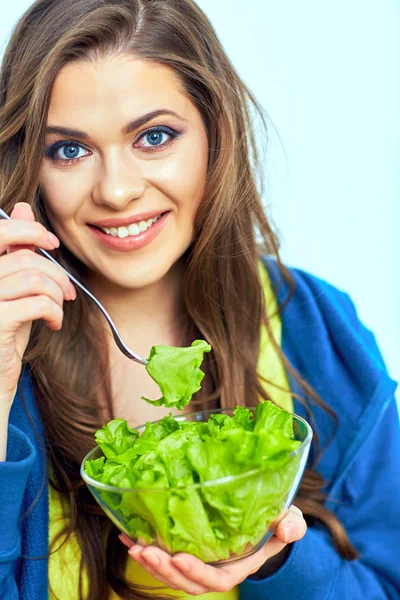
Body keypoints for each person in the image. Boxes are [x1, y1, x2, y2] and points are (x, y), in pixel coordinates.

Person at [0, 0, 398, 598]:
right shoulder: (9, 348)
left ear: (217, 134)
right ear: (29, 165)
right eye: (69, 150)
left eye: (154, 137)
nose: (117, 189)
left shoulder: (313, 328)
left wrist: (273, 563)